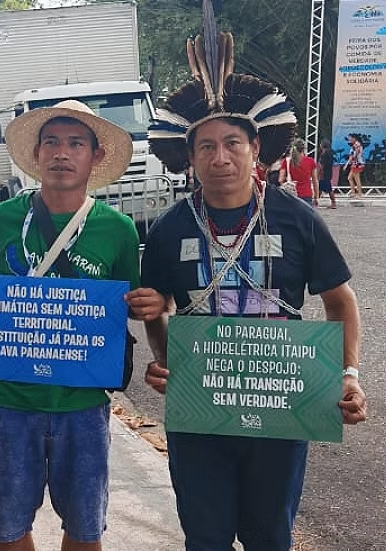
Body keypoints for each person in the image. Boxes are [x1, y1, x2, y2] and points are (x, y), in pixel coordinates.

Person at [144, 29, 367, 550]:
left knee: (270, 536)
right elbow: (158, 306)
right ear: (190, 156)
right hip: (200, 411)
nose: (220, 157)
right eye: (206, 147)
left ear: (255, 148)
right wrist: (162, 356)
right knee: (206, 536)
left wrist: (349, 374)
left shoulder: (298, 220)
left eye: (232, 144)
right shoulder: (168, 229)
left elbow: (340, 300)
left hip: (281, 407)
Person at [0, 100, 163, 551]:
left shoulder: (117, 229)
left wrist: (149, 304)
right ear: (37, 154)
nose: (63, 153)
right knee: (8, 529)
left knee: (84, 530)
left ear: (95, 157)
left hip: (82, 405)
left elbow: (130, 306)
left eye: (76, 143)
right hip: (10, 404)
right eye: (52, 143)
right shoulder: (0, 220)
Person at [279, 139, 318, 206]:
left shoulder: (287, 161)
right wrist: (315, 197)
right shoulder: (310, 161)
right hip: (306, 195)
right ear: (304, 149)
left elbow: (280, 180)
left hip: (291, 195)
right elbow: (315, 181)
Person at [317, 139, 337, 208]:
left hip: (324, 173)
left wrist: (320, 174)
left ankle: (333, 203)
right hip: (328, 172)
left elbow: (322, 165)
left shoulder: (324, 154)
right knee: (320, 188)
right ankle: (315, 201)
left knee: (328, 188)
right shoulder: (330, 153)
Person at [344, 133, 364, 198]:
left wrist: (346, 165)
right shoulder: (356, 145)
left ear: (354, 138)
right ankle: (353, 193)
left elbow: (352, 156)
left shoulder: (356, 145)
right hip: (355, 163)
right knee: (350, 178)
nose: (349, 139)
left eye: (350, 138)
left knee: (357, 179)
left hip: (356, 164)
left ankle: (359, 194)